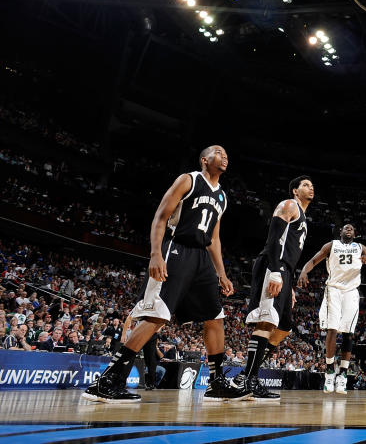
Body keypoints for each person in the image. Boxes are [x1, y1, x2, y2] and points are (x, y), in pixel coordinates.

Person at [81, 146, 247, 403]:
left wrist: (221, 274)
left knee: (215, 318)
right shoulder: (188, 180)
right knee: (156, 316)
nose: (225, 155)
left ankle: (216, 383)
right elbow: (160, 216)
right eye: (218, 152)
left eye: (226, 153)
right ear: (204, 159)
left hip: (202, 258)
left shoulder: (222, 197)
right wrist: (156, 254)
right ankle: (108, 380)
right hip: (176, 248)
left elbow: (214, 238)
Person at [232, 176, 314, 402]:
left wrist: (289, 284)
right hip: (273, 266)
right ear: (295, 191)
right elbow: (274, 237)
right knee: (266, 322)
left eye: (312, 185)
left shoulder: (304, 216)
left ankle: (246, 375)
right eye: (306, 185)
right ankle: (247, 381)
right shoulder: (289, 205)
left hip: (284, 270)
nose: (311, 188)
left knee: (284, 327)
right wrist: (277, 270)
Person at [298, 223, 366, 395]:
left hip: (351, 291)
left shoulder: (360, 247)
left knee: (348, 333)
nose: (349, 228)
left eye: (351, 228)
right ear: (340, 232)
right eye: (345, 227)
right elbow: (313, 260)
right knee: (332, 329)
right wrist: (303, 272)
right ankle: (329, 371)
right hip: (334, 289)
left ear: (355, 233)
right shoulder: (331, 245)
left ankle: (342, 374)